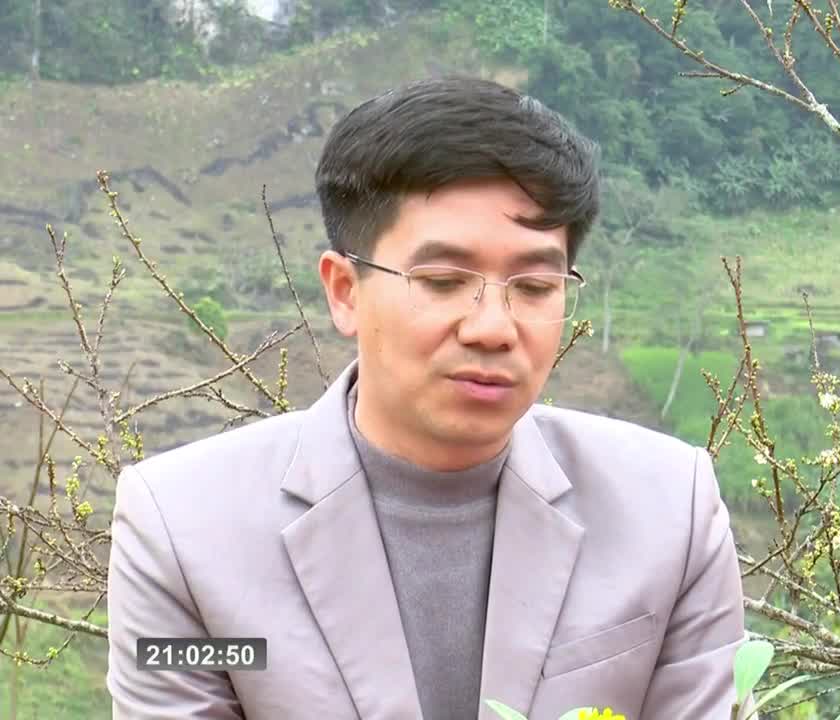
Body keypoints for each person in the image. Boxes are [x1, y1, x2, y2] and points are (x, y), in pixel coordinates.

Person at [105, 75, 749, 719]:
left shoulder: (669, 509)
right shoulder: (184, 530)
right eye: (442, 280)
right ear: (345, 290)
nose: (493, 328)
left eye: (532, 286)